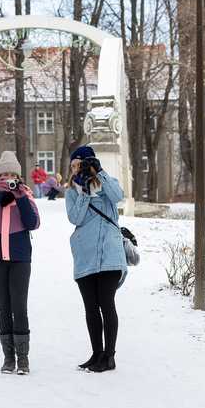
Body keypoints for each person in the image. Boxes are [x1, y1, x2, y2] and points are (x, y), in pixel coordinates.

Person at [0, 151, 40, 375]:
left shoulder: (26, 196)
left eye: (13, 175)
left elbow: (33, 223)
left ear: (19, 177)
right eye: (4, 175)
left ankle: (23, 359)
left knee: (19, 307)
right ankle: (8, 358)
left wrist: (20, 197)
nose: (9, 179)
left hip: (20, 259)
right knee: (4, 307)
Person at [65, 145, 127, 373]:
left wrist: (98, 173)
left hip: (109, 255)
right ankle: (96, 353)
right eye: (73, 166)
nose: (75, 170)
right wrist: (83, 193)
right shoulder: (72, 192)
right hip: (85, 257)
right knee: (91, 308)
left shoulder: (106, 184)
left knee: (106, 304)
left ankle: (109, 356)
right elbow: (75, 218)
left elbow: (119, 197)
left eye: (80, 165)